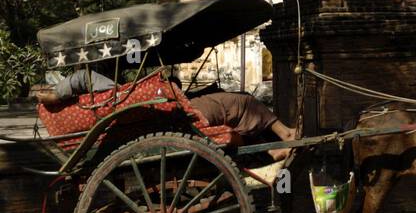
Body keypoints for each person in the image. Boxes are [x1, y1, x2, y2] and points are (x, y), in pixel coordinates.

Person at [32, 70, 296, 164]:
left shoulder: (101, 100)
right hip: (173, 117)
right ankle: (284, 135)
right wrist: (54, 94)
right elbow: (82, 78)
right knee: (242, 101)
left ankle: (271, 151)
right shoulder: (105, 99)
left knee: (230, 96)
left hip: (163, 116)